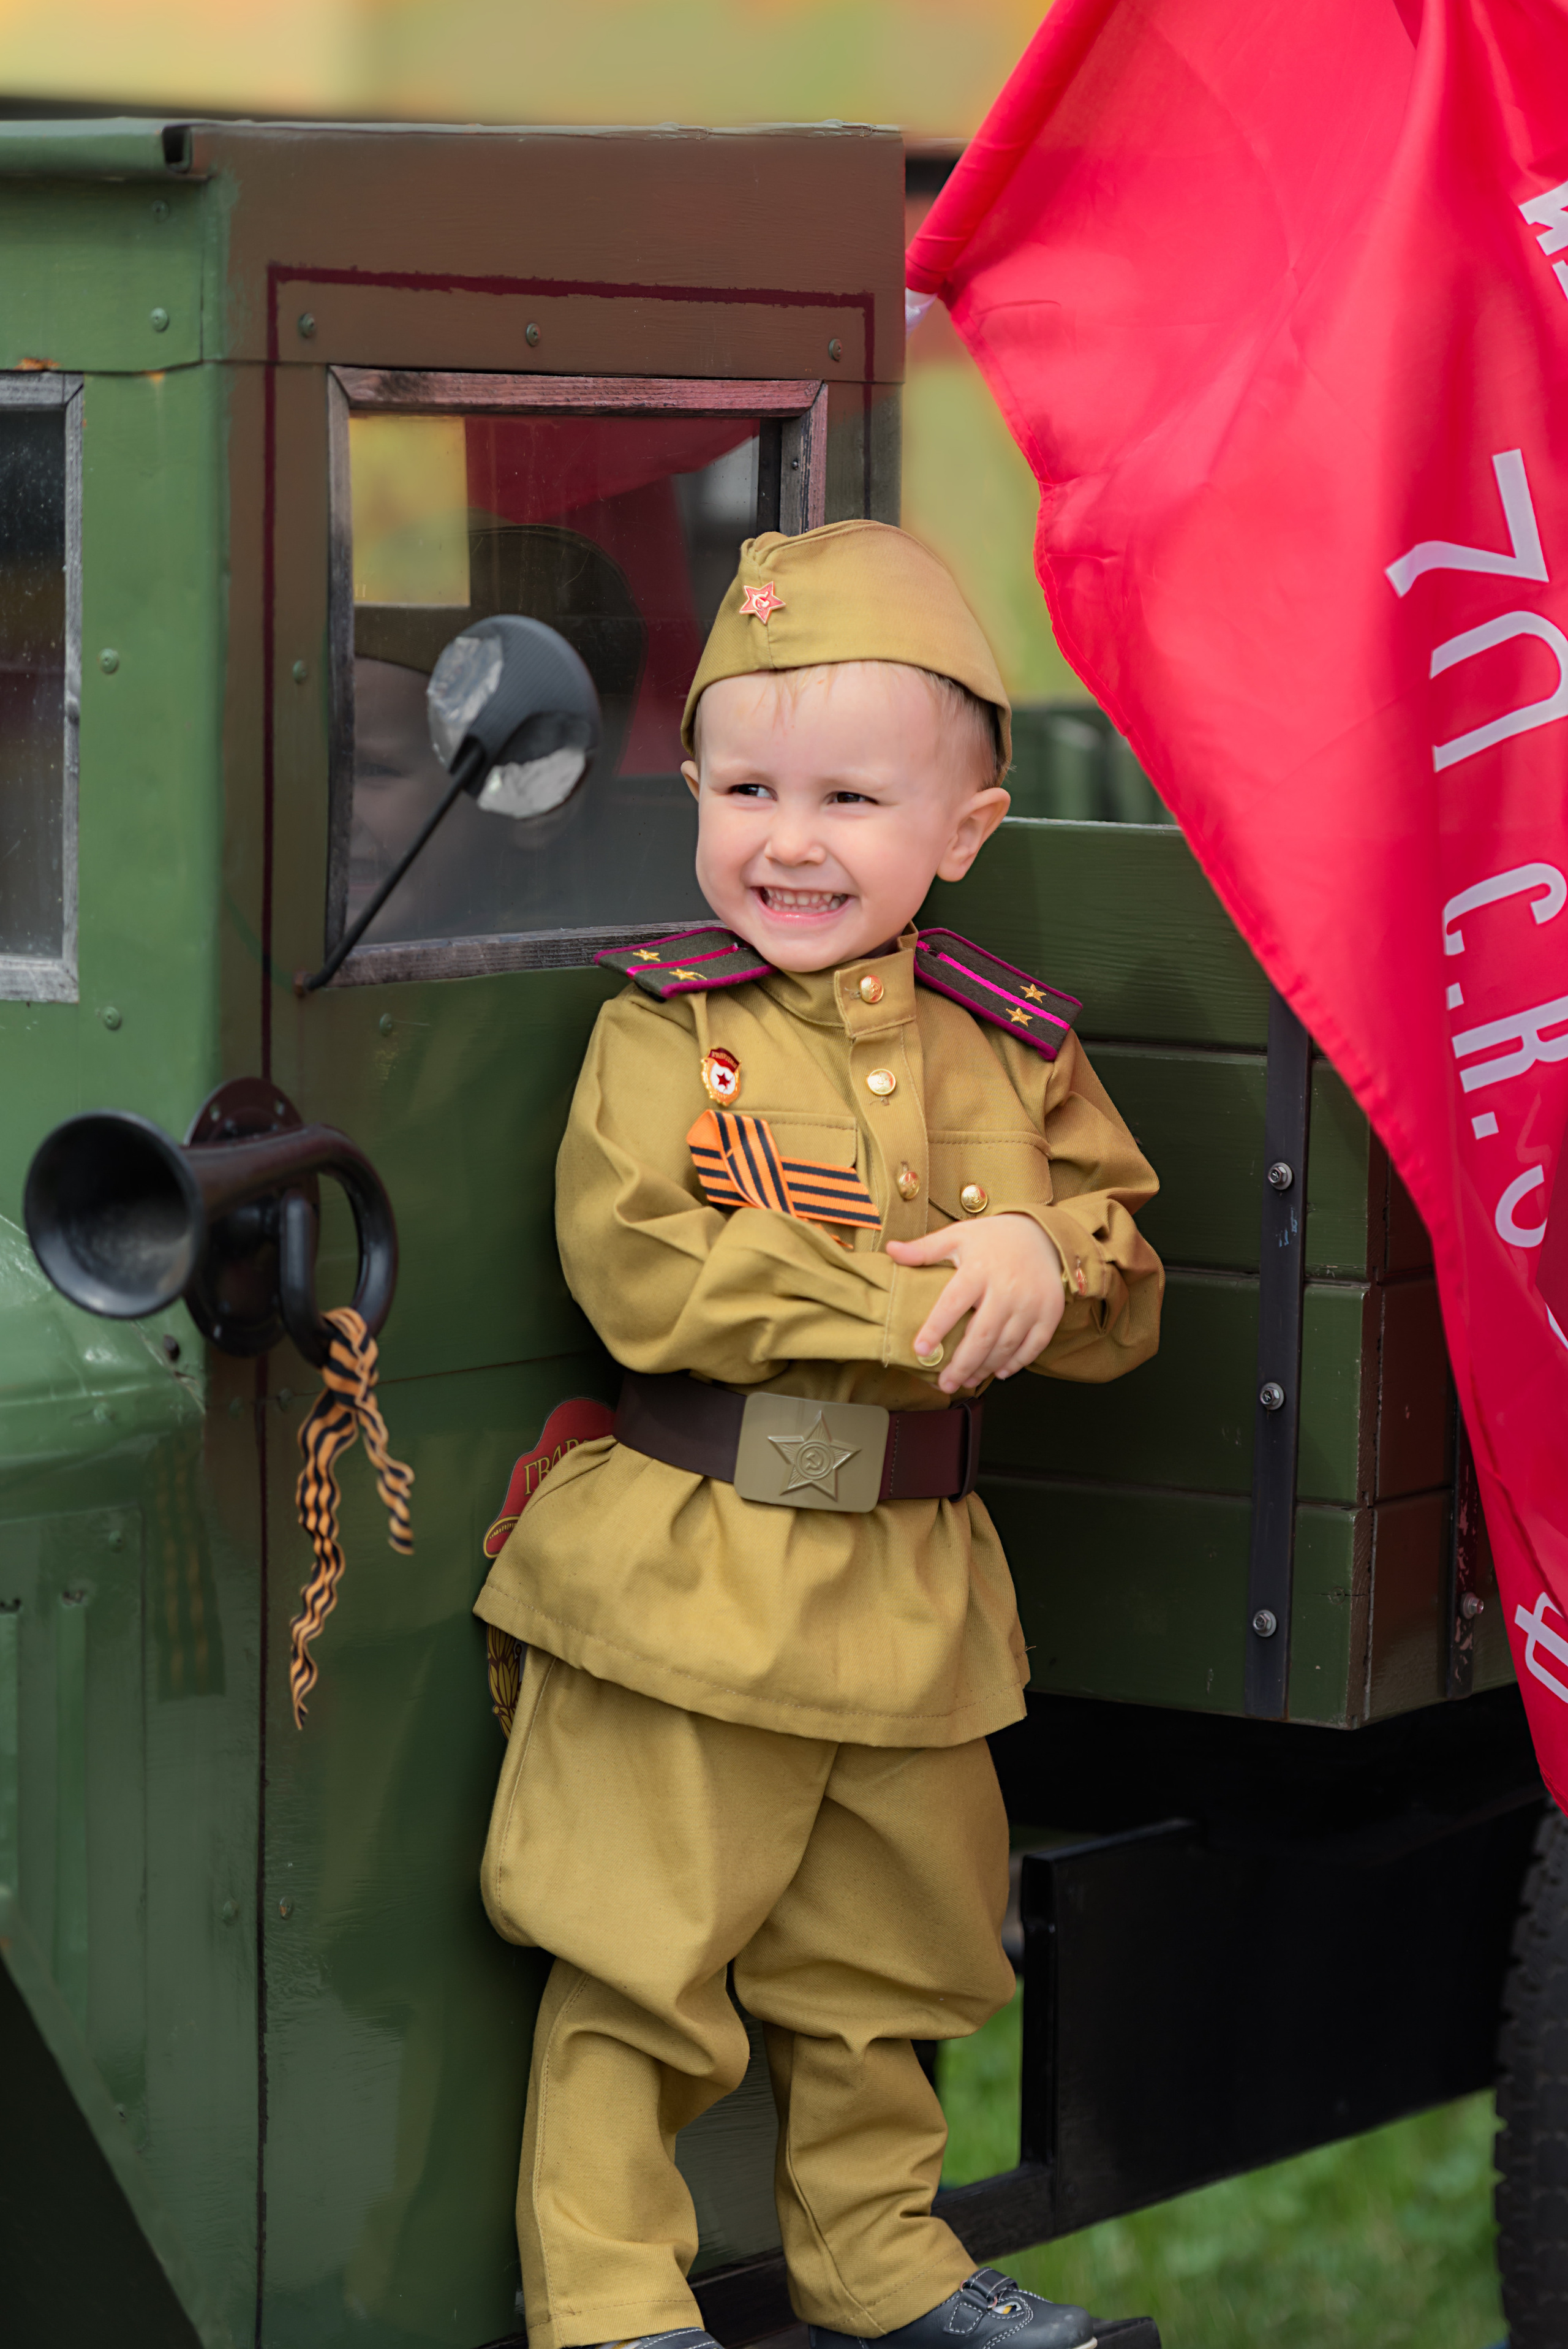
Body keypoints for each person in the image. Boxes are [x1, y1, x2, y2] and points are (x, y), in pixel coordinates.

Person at [475, 521, 1164, 2349]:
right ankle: (615, 2304)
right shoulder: (664, 1033)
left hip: (916, 1586)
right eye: (748, 785)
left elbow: (1122, 1276)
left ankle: (885, 2262)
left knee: (888, 1962)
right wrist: (941, 1303)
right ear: (689, 789)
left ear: (965, 831)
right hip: (700, 1571)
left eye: (852, 797)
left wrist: (1044, 1251)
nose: (790, 839)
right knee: (643, 1954)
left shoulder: (1011, 1049)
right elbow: (649, 1275)